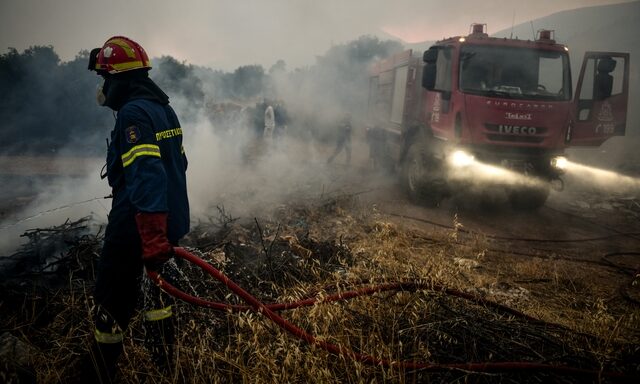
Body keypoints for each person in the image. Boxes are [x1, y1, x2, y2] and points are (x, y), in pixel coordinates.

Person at [82, 36, 190, 382]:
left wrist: (150, 230)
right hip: (167, 220)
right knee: (158, 299)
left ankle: (100, 371)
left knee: (112, 300)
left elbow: (147, 172)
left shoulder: (133, 112)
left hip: (138, 225)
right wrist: (163, 229)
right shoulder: (163, 108)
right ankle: (164, 367)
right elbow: (180, 165)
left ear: (119, 79)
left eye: (105, 78)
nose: (103, 86)